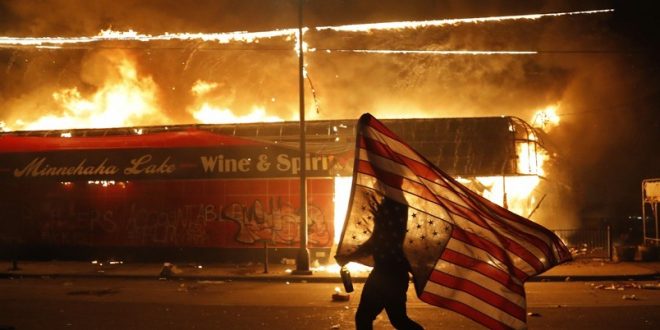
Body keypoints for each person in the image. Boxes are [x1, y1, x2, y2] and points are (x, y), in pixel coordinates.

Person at [337, 195, 424, 330]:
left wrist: (350, 257)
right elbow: (378, 240)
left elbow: (377, 241)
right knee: (398, 319)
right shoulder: (395, 202)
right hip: (391, 273)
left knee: (366, 317)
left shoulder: (393, 204)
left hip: (387, 274)